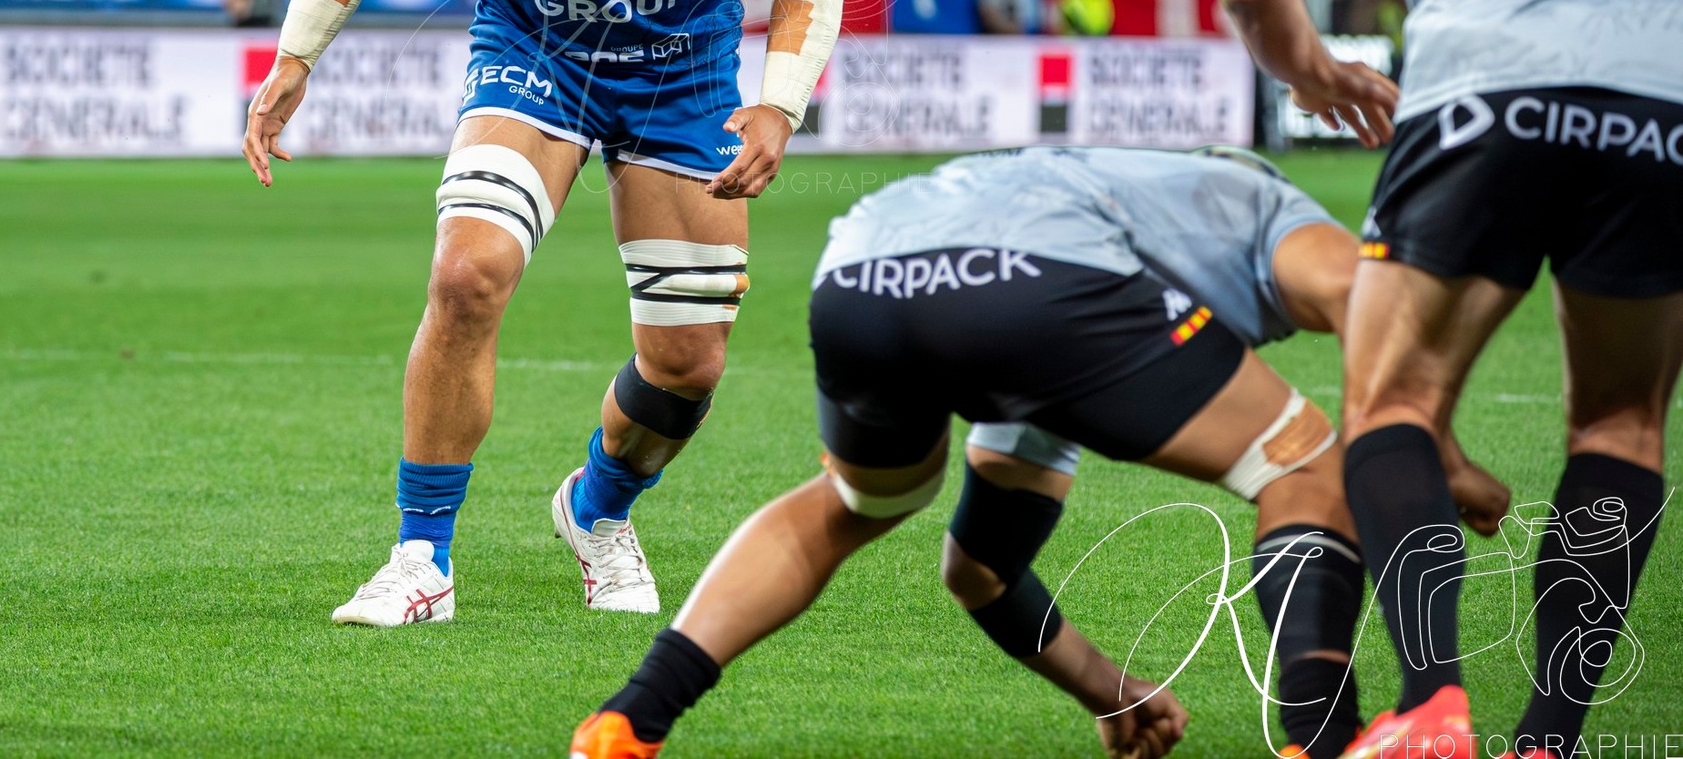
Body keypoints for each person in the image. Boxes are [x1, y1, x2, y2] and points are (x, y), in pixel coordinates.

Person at [243, 0, 844, 626]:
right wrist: (295, 58)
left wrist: (778, 105)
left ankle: (595, 509)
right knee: (467, 272)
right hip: (538, 55)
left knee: (686, 363)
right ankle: (420, 558)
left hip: (683, 73)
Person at [570, 147, 1509, 759]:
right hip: (1050, 286)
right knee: (1306, 465)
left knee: (848, 507)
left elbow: (979, 570)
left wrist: (1110, 690)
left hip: (863, 273)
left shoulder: (1076, 209)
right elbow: (1363, 302)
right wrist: (1442, 454)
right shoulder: (1260, 200)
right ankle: (1323, 738)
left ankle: (630, 720)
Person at [1219, 0, 1683, 759]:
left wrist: (1317, 73)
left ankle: (1430, 703)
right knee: (1622, 423)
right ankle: (1549, 737)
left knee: (1393, 402)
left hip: (1473, 95)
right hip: (1655, 105)